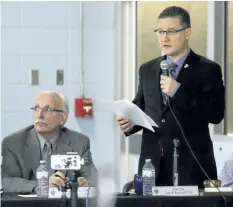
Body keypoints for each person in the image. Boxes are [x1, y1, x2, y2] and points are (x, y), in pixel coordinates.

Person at [116, 6, 225, 188]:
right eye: (160, 31)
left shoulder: (207, 69)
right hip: (153, 167)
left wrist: (178, 92)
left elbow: (215, 114)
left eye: (171, 32)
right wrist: (130, 123)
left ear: (187, 32)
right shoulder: (147, 69)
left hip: (191, 166)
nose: (164, 38)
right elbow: (142, 108)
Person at [1, 91, 97, 193]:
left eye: (48, 109)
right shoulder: (13, 143)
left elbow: (93, 179)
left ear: (62, 117)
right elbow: (8, 182)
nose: (40, 115)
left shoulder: (79, 142)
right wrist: (43, 185)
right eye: (37, 108)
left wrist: (85, 183)